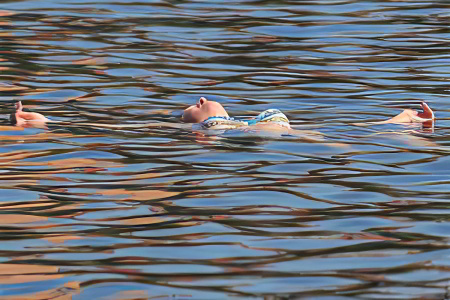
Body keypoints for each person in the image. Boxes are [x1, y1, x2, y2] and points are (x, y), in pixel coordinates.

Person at [10, 98, 435, 130]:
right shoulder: (214, 130)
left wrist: (400, 119)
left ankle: (405, 123)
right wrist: (43, 121)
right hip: (256, 138)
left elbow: (344, 128)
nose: (200, 98)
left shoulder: (250, 120)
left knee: (324, 132)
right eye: (193, 107)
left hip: (266, 133)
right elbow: (114, 127)